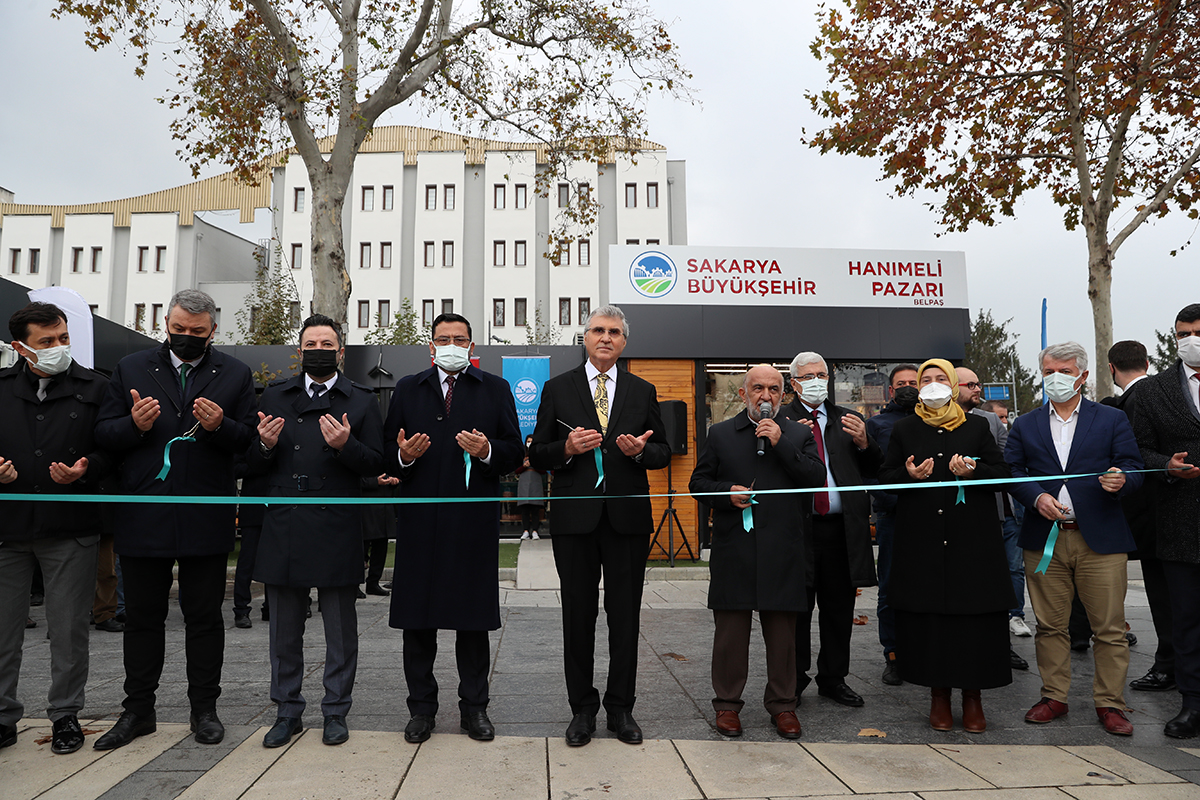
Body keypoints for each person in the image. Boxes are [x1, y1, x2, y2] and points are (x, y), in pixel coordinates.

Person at [93, 289, 257, 750]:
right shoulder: (132, 368)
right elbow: (105, 435)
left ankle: (204, 709)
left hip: (205, 516)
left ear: (213, 331)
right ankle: (138, 711)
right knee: (143, 619)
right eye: (178, 329)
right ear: (166, 323)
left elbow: (247, 444)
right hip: (145, 515)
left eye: (197, 332)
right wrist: (136, 426)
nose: (186, 338)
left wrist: (219, 426)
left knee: (204, 618)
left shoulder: (236, 373)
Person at [528, 304, 671, 747]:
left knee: (625, 617)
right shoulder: (558, 387)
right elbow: (537, 454)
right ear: (584, 338)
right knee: (578, 616)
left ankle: (621, 709)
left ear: (624, 341)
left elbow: (663, 451)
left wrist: (639, 454)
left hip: (626, 519)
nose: (605, 337)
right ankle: (582, 711)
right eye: (597, 330)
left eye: (613, 332)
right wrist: (566, 448)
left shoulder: (643, 390)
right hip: (575, 520)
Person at [384, 313, 523, 744]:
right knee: (418, 623)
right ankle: (421, 710)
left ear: (471, 345)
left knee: (472, 622)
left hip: (471, 525)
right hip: (421, 525)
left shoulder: (495, 389)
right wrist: (404, 456)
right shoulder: (408, 388)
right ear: (431, 346)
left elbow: (515, 452)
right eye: (442, 338)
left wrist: (487, 451)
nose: (450, 344)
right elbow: (388, 455)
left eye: (459, 339)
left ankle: (474, 709)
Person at [249, 314, 384, 748]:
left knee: (340, 630)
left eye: (328, 343)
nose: (319, 349)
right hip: (285, 519)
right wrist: (265, 446)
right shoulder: (274, 394)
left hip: (337, 522)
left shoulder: (361, 400)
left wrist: (347, 447)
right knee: (284, 631)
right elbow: (247, 464)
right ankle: (287, 712)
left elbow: (376, 464)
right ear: (300, 349)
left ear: (341, 352)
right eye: (311, 343)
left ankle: (335, 712)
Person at [1006, 341, 1143, 737]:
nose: (1055, 379)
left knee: (1110, 628)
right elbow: (1013, 471)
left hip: (1101, 539)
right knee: (1049, 626)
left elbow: (1134, 468)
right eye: (1048, 372)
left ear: (1082, 375)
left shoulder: (1111, 419)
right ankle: (1054, 696)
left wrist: (1121, 479)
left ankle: (1110, 704)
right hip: (1043, 539)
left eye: (1063, 371)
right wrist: (1036, 496)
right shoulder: (1026, 423)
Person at [0, 302, 115, 754]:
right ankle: (3, 715)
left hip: (70, 529)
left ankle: (66, 715)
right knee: (3, 630)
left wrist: (86, 469)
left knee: (69, 631)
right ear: (20, 347)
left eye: (63, 338)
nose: (58, 348)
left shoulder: (96, 387)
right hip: (7, 530)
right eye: (46, 342)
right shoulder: (2, 389)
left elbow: (113, 452)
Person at [688, 365, 825, 739]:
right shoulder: (720, 434)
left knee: (783, 637)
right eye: (758, 388)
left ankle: (783, 706)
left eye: (775, 390)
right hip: (736, 549)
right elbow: (698, 483)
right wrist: (725, 495)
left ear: (785, 395)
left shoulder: (799, 432)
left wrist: (782, 444)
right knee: (730, 634)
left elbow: (815, 478)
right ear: (744, 393)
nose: (766, 396)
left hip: (783, 549)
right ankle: (728, 706)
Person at [878, 359, 1014, 732]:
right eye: (927, 380)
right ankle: (938, 697)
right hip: (922, 541)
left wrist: (974, 472)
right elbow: (885, 478)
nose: (934, 385)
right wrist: (906, 476)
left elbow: (1002, 474)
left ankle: (973, 698)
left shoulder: (979, 425)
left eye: (941, 379)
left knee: (972, 622)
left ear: (954, 386)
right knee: (931, 623)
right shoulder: (905, 428)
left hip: (972, 542)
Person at [781, 351, 882, 708]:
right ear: (793, 384)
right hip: (799, 531)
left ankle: (834, 678)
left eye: (821, 374)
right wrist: (788, 439)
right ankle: (793, 679)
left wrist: (866, 443)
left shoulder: (849, 419)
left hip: (842, 531)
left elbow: (877, 468)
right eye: (807, 376)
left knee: (839, 610)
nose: (815, 381)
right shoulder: (781, 421)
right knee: (797, 609)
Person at [1131, 303, 1200, 738]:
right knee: (1187, 620)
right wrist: (1164, 466)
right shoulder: (1154, 390)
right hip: (1180, 522)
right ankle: (1193, 703)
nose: (1191, 339)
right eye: (1183, 333)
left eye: (1198, 330)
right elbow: (1137, 451)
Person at [1099, 341, 1173, 693]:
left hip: (1155, 515)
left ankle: (1168, 665)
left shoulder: (1133, 402)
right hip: (1161, 513)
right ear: (1146, 362)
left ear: (1111, 368)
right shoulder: (1165, 393)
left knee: (1165, 595)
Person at [956, 366, 1033, 667]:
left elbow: (1005, 465)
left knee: (1000, 577)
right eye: (970, 384)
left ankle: (1002, 642)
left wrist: (975, 467)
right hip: (952, 518)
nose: (978, 390)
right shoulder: (926, 421)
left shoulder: (989, 421)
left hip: (995, 513)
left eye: (979, 384)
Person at [865, 363, 918, 686]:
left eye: (914, 382)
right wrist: (893, 501)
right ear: (890, 391)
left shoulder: (933, 420)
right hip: (892, 517)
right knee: (889, 588)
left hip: (930, 517)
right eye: (902, 384)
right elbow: (872, 472)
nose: (908, 388)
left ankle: (923, 649)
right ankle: (894, 654)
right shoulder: (877, 424)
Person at [516, 435, 546, 540]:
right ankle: (525, 531)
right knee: (524, 509)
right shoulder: (521, 454)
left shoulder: (539, 454)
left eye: (531, 441)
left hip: (535, 482)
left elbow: (544, 471)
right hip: (524, 482)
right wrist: (524, 466)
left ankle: (535, 531)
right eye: (528, 441)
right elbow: (516, 470)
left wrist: (534, 464)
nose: (529, 443)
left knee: (535, 509)